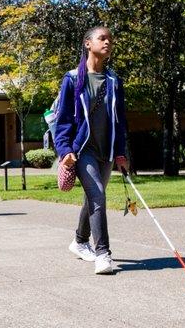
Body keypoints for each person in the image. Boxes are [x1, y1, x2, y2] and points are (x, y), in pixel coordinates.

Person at [54, 26, 128, 274]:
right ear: (88, 44)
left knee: (93, 196)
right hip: (82, 150)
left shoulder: (113, 80)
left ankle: (78, 240)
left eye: (110, 39)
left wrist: (121, 153)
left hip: (106, 151)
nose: (108, 42)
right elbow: (63, 119)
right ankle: (103, 254)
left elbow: (120, 121)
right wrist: (64, 149)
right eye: (102, 38)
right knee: (98, 196)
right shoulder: (73, 78)